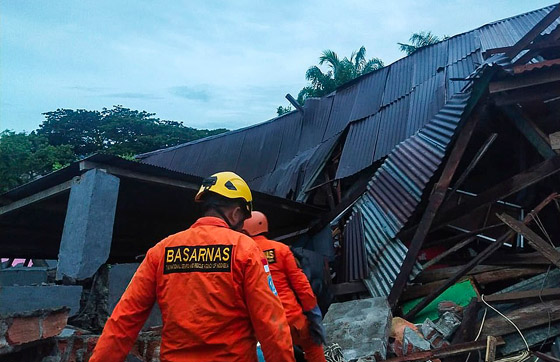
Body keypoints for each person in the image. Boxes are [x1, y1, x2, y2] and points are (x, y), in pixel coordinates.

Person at [90, 172, 295, 362]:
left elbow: (124, 320)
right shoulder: (246, 249)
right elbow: (272, 325)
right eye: (243, 220)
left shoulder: (162, 250)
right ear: (235, 214)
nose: (242, 227)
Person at [243, 211, 327, 362]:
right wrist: (314, 317)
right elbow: (302, 286)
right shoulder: (281, 250)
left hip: (264, 327)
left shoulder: (241, 253)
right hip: (293, 321)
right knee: (313, 347)